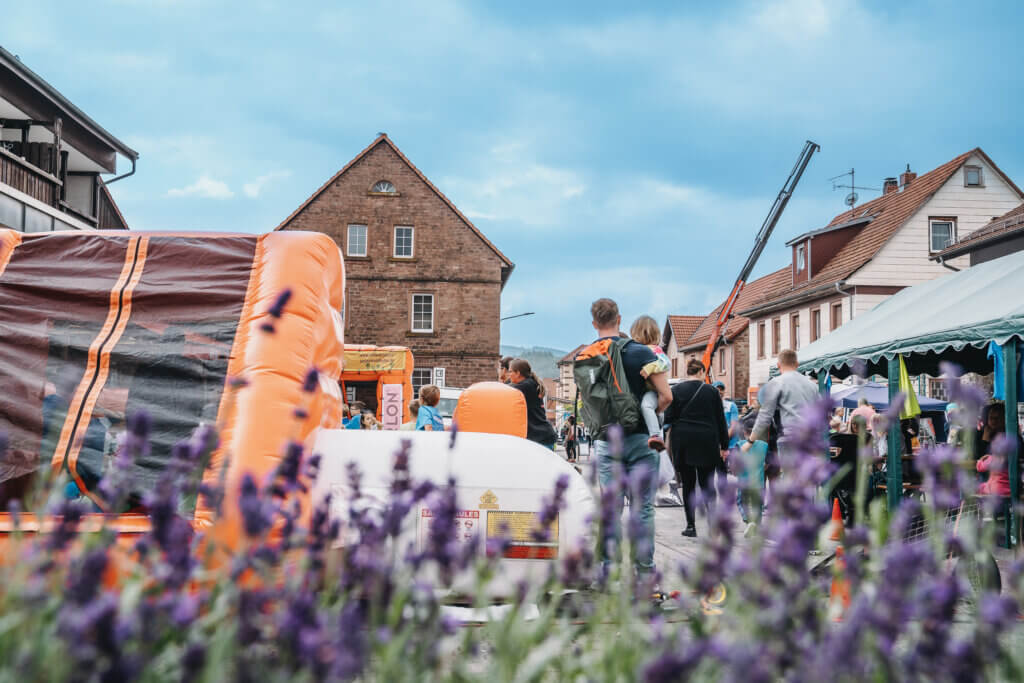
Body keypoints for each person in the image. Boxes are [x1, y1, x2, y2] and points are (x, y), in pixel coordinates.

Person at [576, 298, 671, 580]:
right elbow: (667, 396)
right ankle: (643, 574)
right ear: (619, 319)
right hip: (642, 439)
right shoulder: (641, 353)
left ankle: (609, 571)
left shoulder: (586, 356)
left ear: (594, 323)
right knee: (642, 509)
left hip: (606, 440)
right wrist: (651, 414)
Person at [664, 358, 730, 538]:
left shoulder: (676, 390)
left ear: (688, 372)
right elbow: (720, 421)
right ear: (701, 371)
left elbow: (668, 418)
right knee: (707, 483)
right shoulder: (712, 392)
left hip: (683, 440)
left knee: (688, 484)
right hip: (706, 440)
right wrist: (724, 446)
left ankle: (691, 526)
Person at [746, 349, 818, 461]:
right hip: (810, 439)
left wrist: (750, 441)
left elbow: (765, 416)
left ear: (778, 365)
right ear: (797, 364)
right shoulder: (812, 385)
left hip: (789, 437)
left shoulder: (776, 383)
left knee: (790, 476)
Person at [628, 315, 671, 452]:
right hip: (651, 391)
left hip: (654, 391)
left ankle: (655, 436)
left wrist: (650, 367)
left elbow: (666, 362)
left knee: (646, 406)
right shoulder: (642, 350)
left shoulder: (653, 350)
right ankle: (658, 433)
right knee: (655, 411)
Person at [509, 358, 558, 449]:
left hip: (541, 438)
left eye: (510, 372)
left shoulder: (526, 386)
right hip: (542, 436)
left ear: (518, 373)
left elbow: (505, 390)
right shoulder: (530, 383)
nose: (509, 375)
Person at [734, 416, 768, 536]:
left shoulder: (739, 445)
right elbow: (767, 463)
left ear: (744, 432)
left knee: (741, 502)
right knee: (758, 504)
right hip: (759, 482)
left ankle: (748, 521)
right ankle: (756, 527)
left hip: (743, 481)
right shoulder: (764, 445)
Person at [714, 380, 739, 493]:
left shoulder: (731, 406)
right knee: (721, 471)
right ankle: (723, 494)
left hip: (731, 444)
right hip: (717, 445)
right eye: (717, 390)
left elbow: (733, 426)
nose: (719, 392)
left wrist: (723, 442)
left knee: (736, 470)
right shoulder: (710, 406)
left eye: (721, 389)